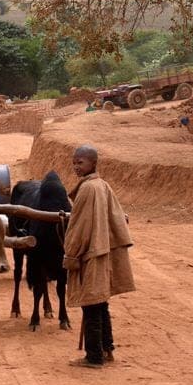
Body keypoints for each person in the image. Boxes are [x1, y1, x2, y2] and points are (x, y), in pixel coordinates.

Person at [63, 145, 135, 368]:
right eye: (74, 162)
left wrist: (71, 253)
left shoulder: (87, 189)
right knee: (101, 302)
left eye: (81, 162)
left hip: (91, 253)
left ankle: (93, 356)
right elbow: (118, 216)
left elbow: (78, 227)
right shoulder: (102, 185)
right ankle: (107, 349)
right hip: (103, 251)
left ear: (93, 164)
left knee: (91, 303)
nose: (76, 166)